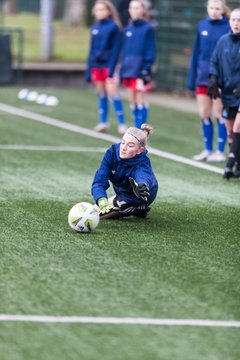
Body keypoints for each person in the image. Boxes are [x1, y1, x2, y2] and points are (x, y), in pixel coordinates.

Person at [187, 0, 231, 162]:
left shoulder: (228, 27)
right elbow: (196, 53)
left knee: (219, 113)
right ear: (207, 8)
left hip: (220, 79)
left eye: (217, 8)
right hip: (202, 77)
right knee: (204, 114)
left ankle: (219, 151)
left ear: (222, 9)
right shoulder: (202, 25)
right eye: (211, 8)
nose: (214, 11)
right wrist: (192, 78)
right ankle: (207, 149)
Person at [91, 124, 158, 219]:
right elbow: (99, 180)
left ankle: (137, 207)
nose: (123, 148)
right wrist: (101, 200)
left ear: (140, 150)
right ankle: (138, 209)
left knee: (101, 216)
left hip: (142, 195)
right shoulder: (112, 153)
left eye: (130, 145)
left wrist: (142, 185)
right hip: (123, 192)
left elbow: (142, 176)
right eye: (123, 142)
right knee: (92, 211)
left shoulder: (142, 163)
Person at [85, 0, 127, 135]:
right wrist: (89, 68)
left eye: (102, 9)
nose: (99, 12)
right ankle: (103, 122)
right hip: (97, 65)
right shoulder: (95, 28)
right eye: (97, 10)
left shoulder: (114, 27)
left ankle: (122, 124)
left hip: (109, 65)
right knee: (101, 92)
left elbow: (116, 50)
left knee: (112, 93)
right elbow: (91, 50)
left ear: (109, 11)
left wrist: (111, 68)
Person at [208, 8, 240, 178]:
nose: (236, 23)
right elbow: (214, 61)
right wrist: (213, 79)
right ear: (230, 21)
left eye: (239, 20)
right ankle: (238, 165)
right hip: (228, 94)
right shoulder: (223, 41)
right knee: (230, 132)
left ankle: (230, 164)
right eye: (234, 19)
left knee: (238, 127)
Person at [120, 0, 156, 129]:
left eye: (137, 8)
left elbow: (150, 50)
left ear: (143, 10)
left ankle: (142, 131)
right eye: (131, 8)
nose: (134, 10)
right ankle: (136, 128)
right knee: (132, 100)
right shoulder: (128, 28)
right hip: (129, 70)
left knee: (141, 99)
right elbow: (124, 51)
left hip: (140, 70)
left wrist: (146, 69)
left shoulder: (148, 29)